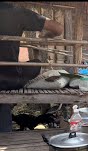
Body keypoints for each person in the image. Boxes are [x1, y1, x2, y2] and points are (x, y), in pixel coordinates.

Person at [0, 2, 63, 132]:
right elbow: (58, 28)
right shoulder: (17, 12)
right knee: (36, 63)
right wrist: (47, 35)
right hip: (8, 79)